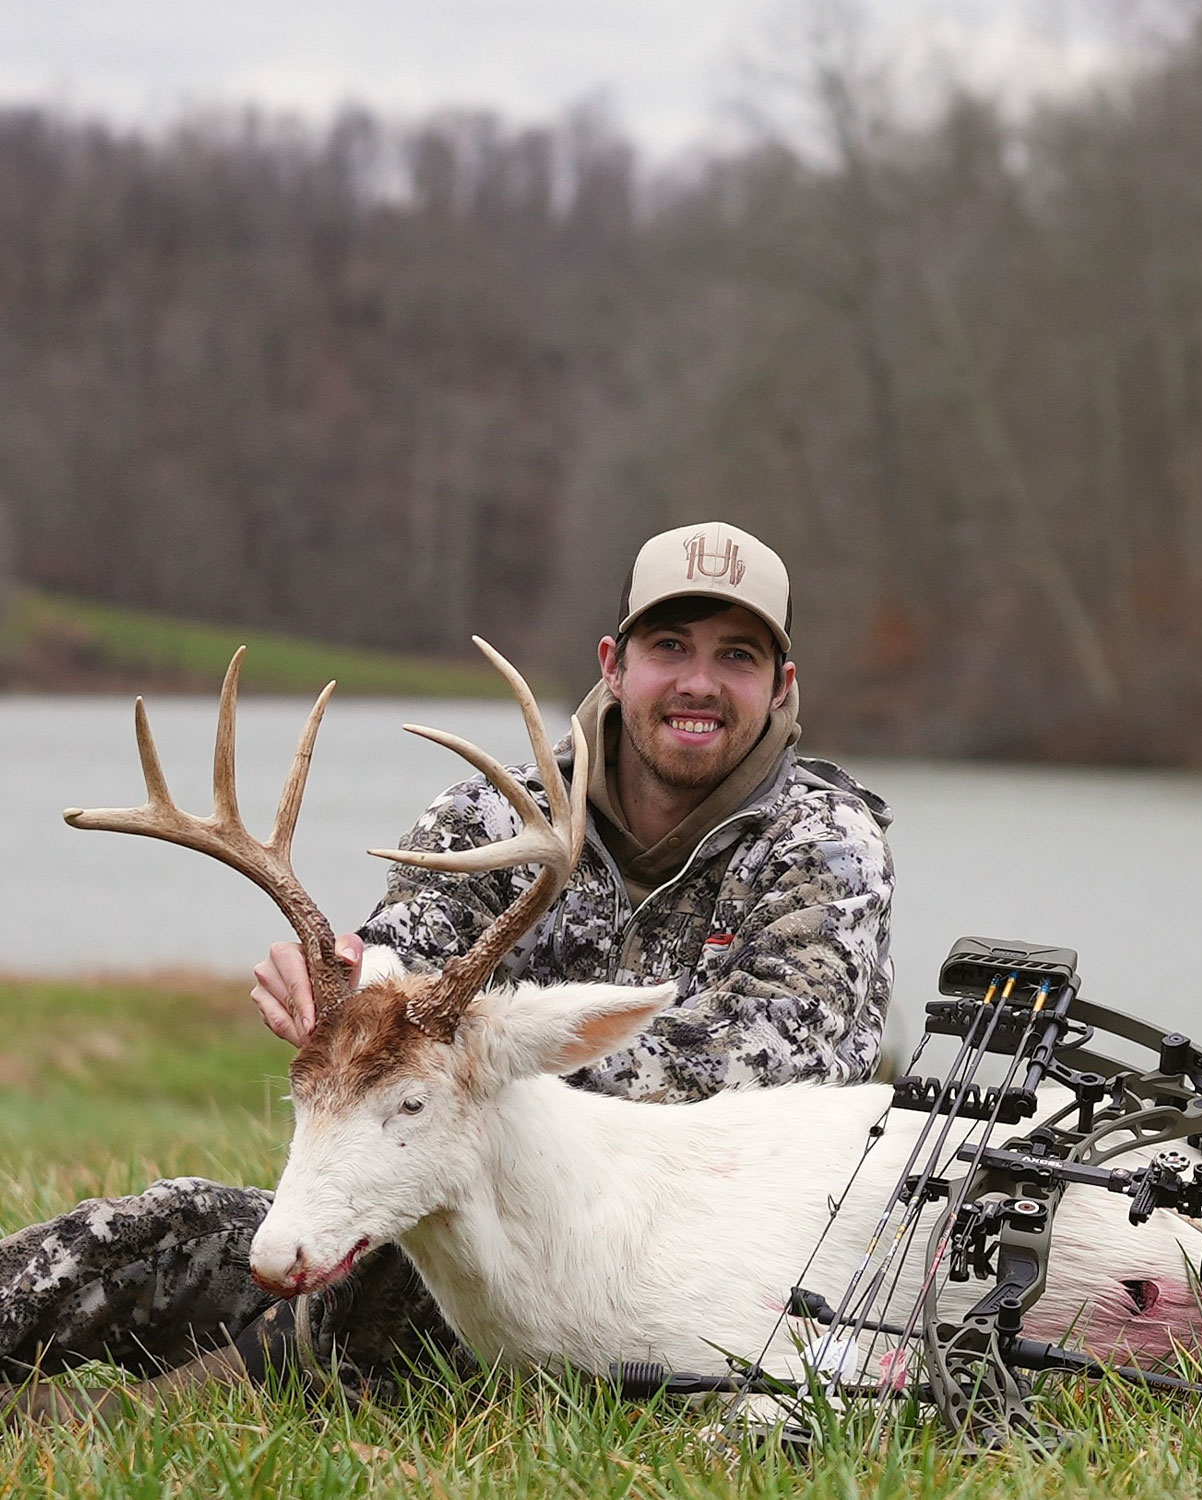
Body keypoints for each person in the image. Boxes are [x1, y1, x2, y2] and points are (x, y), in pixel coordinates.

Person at [0, 521, 894, 1411]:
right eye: (670, 646)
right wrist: (345, 991)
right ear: (614, 665)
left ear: (779, 686)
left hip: (662, 1269)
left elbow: (777, 1060)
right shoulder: (499, 813)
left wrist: (481, 1052)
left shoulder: (826, 844)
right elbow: (403, 967)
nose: (698, 682)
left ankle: (157, 1405)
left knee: (388, 1284)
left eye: (735, 656)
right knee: (153, 1231)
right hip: (440, 1196)